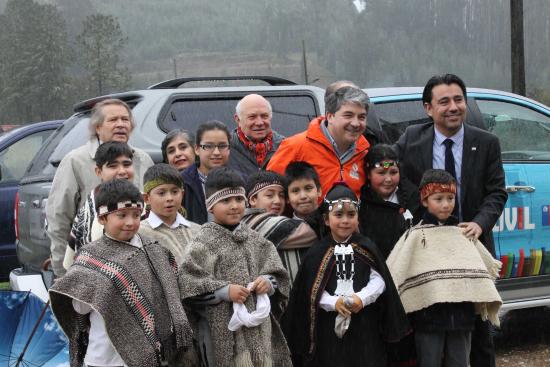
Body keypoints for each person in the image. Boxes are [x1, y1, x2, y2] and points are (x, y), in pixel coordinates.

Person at [393, 73, 508, 367]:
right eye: (444, 101)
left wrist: (480, 223)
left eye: (458, 100)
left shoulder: (486, 142)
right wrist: (421, 213)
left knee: (479, 333)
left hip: (470, 247)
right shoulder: (411, 140)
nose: (453, 107)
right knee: (429, 331)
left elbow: (496, 192)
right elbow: (397, 178)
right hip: (429, 252)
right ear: (428, 108)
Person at [49, 179, 193, 367]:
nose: (130, 222)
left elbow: (167, 295)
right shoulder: (90, 256)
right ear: (102, 218)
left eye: (136, 215)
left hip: (152, 352)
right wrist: (101, 290)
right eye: (122, 215)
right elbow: (79, 308)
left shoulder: (153, 249)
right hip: (105, 357)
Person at [282, 182, 410, 367]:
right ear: (326, 219)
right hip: (327, 329)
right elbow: (309, 290)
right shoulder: (316, 252)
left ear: (358, 218)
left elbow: (379, 280)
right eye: (338, 215)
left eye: (351, 215)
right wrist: (334, 303)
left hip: (365, 327)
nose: (345, 221)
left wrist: (361, 298)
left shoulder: (367, 246)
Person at [387, 169, 502, 367]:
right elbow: (396, 270)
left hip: (462, 318)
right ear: (424, 200)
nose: (446, 204)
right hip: (428, 319)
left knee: (460, 362)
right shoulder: (415, 236)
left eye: (450, 198)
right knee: (429, 362)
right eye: (438, 198)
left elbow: (483, 271)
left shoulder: (464, 234)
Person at [179, 167, 292, 367]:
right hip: (219, 333)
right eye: (225, 201)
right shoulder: (202, 243)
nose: (234, 206)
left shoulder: (257, 240)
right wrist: (224, 292)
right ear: (210, 206)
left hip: (261, 333)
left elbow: (279, 276)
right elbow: (188, 287)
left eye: (239, 200)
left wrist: (268, 282)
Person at [47, 98, 154, 277]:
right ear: (97, 128)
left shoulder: (143, 159)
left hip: (139, 266)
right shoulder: (75, 161)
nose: (120, 124)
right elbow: (58, 219)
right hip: (88, 268)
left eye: (125, 119)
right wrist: (61, 272)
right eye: (113, 120)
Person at [267, 86, 370, 199]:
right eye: (348, 116)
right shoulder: (295, 146)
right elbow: (270, 194)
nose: (355, 123)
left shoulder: (365, 153)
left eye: (361, 117)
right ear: (330, 116)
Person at [63, 141, 135, 270]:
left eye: (127, 164)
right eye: (113, 166)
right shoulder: (88, 211)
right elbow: (71, 262)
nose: (122, 171)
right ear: (98, 171)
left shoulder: (146, 203)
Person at [242, 170, 317, 283]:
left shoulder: (282, 220)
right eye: (269, 195)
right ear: (253, 199)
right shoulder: (251, 221)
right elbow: (311, 232)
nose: (277, 201)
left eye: (281, 195)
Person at [358, 144, 418, 260]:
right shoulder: (361, 204)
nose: (388, 179)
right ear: (369, 174)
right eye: (381, 173)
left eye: (393, 172)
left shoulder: (413, 198)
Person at [139, 163, 200, 265]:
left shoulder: (198, 231)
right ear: (146, 198)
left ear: (182, 194)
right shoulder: (139, 234)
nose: (169, 198)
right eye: (161, 193)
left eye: (175, 192)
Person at [181, 120, 231, 224]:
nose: (216, 152)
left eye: (222, 146)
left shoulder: (240, 181)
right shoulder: (182, 183)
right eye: (208, 146)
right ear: (197, 149)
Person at [227, 94, 285, 180]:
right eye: (252, 117)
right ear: (238, 119)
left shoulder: (285, 147)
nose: (259, 122)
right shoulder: (225, 148)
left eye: (264, 116)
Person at [284, 161, 326, 239]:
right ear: (287, 198)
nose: (303, 196)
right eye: (295, 191)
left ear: (319, 191)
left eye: (308, 188)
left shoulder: (332, 223)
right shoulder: (284, 230)